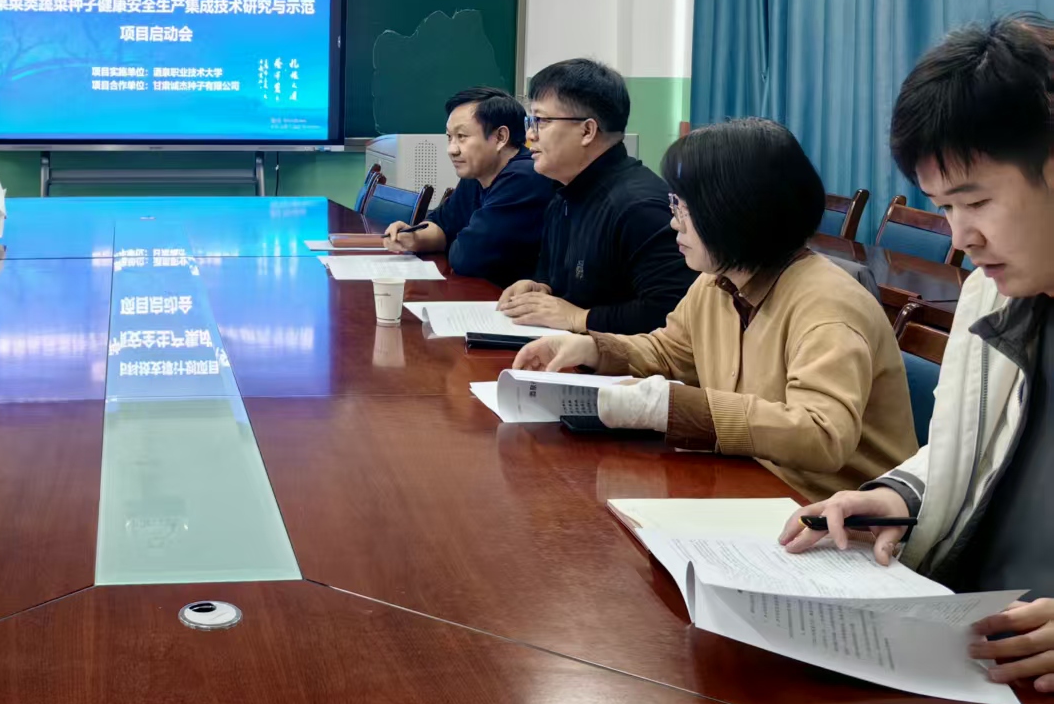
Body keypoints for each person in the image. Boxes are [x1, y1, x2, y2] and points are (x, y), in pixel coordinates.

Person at [783, 15, 1054, 695]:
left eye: (976, 201)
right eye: (944, 208)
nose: (962, 239)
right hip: (962, 650)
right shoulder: (993, 298)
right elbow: (977, 443)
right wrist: (895, 496)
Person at [512, 118, 917, 499]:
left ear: (736, 211)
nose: (674, 222)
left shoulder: (828, 305)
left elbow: (821, 433)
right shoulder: (716, 282)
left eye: (683, 207)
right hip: (747, 484)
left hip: (829, 515)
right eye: (674, 204)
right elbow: (669, 352)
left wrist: (673, 407)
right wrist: (592, 348)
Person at [498, 58, 695, 334]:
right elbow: (565, 284)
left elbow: (671, 312)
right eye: (531, 120)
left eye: (541, 121)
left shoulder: (639, 207)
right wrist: (540, 289)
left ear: (587, 131)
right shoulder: (563, 194)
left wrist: (582, 318)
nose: (530, 134)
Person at [382, 87, 555, 285]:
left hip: (512, 298)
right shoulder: (477, 173)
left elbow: (468, 257)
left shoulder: (525, 177)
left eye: (462, 136)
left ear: (500, 137)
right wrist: (414, 238)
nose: (452, 149)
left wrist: (452, 240)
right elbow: (442, 224)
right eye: (449, 137)